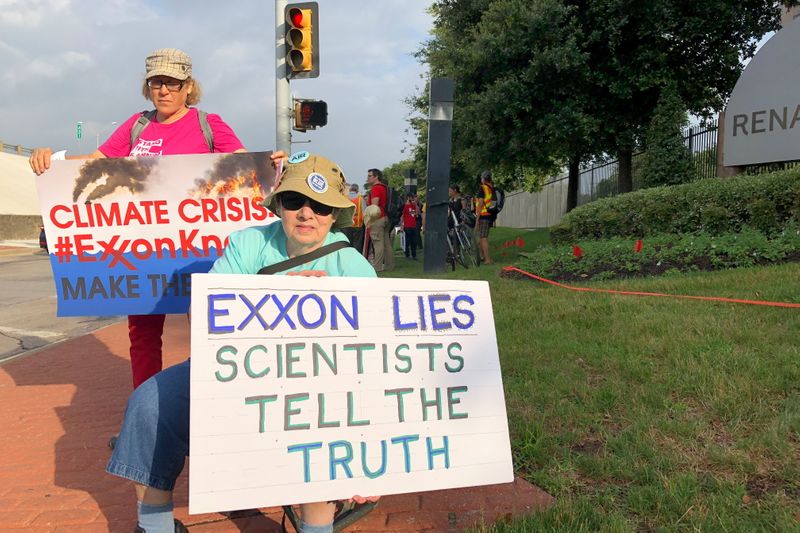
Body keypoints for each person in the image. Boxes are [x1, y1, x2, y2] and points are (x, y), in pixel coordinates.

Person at [106, 154, 379, 533]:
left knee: (322, 422)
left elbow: (376, 360)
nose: (306, 213)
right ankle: (154, 526)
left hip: (314, 385)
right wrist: (276, 294)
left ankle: (317, 526)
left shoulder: (354, 267)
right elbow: (203, 314)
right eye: (294, 201)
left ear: (335, 215)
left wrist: (374, 451)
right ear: (279, 205)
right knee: (150, 403)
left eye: (320, 206)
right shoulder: (247, 243)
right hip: (234, 373)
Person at [29, 48, 247, 390]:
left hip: (199, 249)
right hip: (146, 252)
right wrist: (51, 159)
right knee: (143, 335)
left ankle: (206, 408)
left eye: (173, 83)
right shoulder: (136, 126)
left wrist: (271, 163)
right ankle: (145, 415)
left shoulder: (209, 125)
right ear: (148, 86)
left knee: (208, 330)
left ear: (189, 86)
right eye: (156, 82)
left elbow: (243, 166)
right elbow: (91, 165)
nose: (164, 91)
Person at [366, 168, 394, 272]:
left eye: (369, 176)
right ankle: (389, 265)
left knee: (377, 243)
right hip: (386, 217)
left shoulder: (376, 188)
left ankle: (377, 267)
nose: (367, 178)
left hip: (378, 218)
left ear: (376, 176)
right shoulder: (385, 188)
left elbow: (374, 206)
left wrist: (370, 221)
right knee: (386, 243)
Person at [342, 183, 366, 255]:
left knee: (347, 244)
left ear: (350, 190)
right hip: (358, 225)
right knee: (357, 245)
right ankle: (356, 259)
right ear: (357, 190)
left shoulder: (344, 198)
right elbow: (365, 212)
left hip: (346, 225)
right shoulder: (360, 199)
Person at [477, 170, 495, 264]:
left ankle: (487, 259)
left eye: (481, 178)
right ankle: (483, 257)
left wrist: (477, 218)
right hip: (490, 215)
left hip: (483, 215)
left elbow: (480, 204)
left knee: (483, 238)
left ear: (484, 179)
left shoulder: (483, 188)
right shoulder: (492, 188)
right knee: (482, 237)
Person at [402, 194, 419, 260]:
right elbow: (402, 216)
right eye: (411, 198)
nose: (412, 199)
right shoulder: (405, 206)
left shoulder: (413, 206)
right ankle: (407, 254)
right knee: (407, 241)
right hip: (407, 226)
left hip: (413, 226)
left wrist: (416, 205)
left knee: (414, 241)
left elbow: (417, 214)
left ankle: (414, 255)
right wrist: (402, 225)